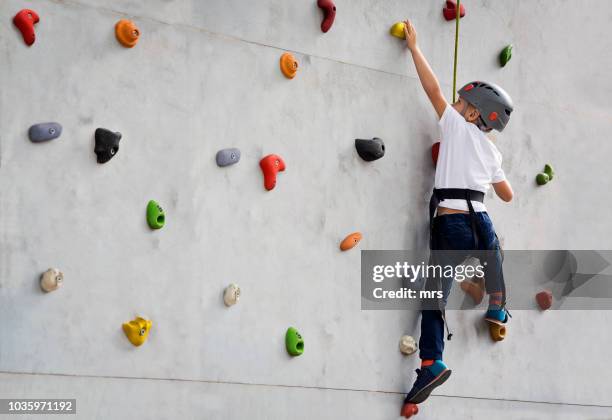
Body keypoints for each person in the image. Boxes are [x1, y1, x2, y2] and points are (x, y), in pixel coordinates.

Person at [400, 20, 514, 415]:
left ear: (473, 115)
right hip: (481, 218)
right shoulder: (493, 153)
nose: (455, 105)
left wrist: (415, 48)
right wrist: (488, 172)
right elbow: (507, 194)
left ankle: (432, 361)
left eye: (463, 104)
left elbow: (431, 89)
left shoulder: (455, 126)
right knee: (494, 253)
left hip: (451, 223)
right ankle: (498, 306)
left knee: (434, 295)